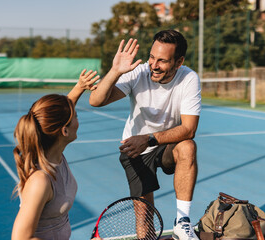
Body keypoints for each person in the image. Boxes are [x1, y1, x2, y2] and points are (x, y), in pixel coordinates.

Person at [89, 29, 201, 240]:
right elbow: (96, 100)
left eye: (162, 60)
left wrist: (149, 139)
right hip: (134, 149)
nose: (154, 65)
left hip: (165, 145)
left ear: (179, 62)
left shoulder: (188, 78)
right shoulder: (138, 72)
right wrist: (115, 71)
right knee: (144, 215)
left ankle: (182, 222)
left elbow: (189, 129)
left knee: (187, 146)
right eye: (151, 57)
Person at [11, 69, 101, 240]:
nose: (78, 121)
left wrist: (79, 87)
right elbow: (21, 238)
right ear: (64, 131)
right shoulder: (40, 181)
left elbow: (58, 116)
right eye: (76, 116)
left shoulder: (55, 155)